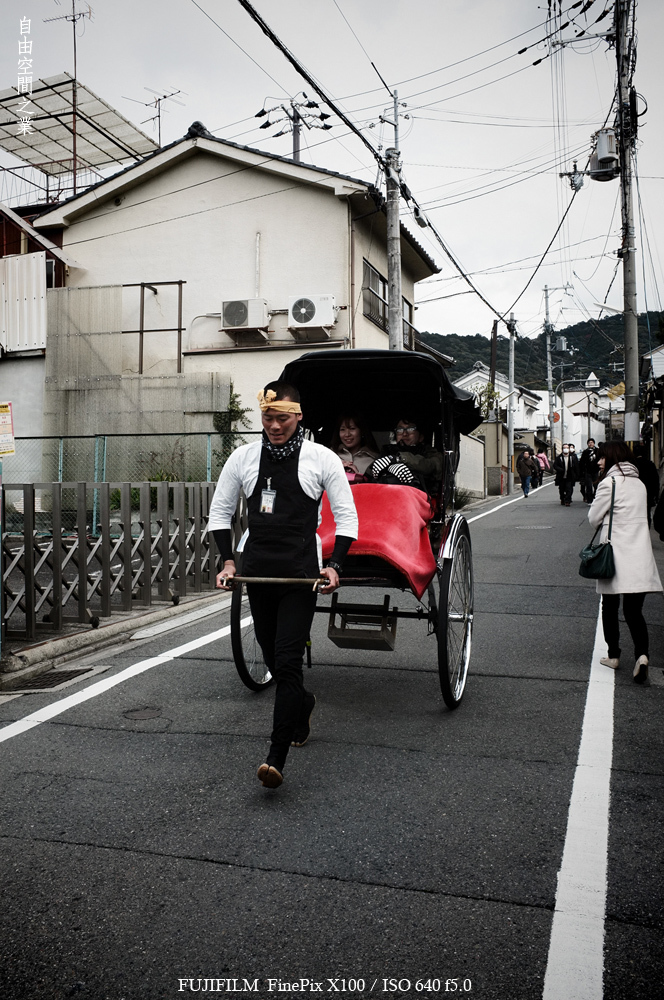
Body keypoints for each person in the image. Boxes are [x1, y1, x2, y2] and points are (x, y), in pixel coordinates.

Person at [208, 381, 358, 789]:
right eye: (268, 418)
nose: (274, 425)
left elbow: (346, 518)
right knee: (275, 660)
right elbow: (220, 513)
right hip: (258, 570)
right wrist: (227, 560)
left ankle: (276, 757)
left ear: (299, 416)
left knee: (288, 660)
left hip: (300, 574)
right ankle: (303, 703)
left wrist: (335, 566)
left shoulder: (320, 458)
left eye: (282, 418)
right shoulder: (243, 457)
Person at [589, 441, 662, 683]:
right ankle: (642, 656)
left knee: (609, 607)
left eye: (602, 458)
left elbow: (593, 518)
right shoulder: (639, 484)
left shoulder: (608, 483)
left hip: (614, 556)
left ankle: (613, 656)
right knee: (634, 611)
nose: (599, 462)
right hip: (639, 556)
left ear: (611, 458)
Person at [369, 417, 443, 494]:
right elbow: (371, 473)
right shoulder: (387, 450)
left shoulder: (429, 452)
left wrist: (398, 459)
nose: (404, 434)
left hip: (417, 497)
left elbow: (432, 465)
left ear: (421, 436)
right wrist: (388, 468)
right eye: (400, 430)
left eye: (411, 429)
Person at [328, 413, 379, 480]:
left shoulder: (374, 460)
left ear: (362, 431)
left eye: (352, 428)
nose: (347, 434)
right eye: (342, 429)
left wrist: (359, 477)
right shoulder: (329, 456)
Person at [632, 443, 660, 527]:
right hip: (648, 493)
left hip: (634, 493)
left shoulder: (632, 464)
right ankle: (645, 528)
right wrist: (656, 494)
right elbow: (655, 480)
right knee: (647, 512)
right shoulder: (650, 464)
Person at [579, 438, 600, 505]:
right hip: (588, 471)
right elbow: (582, 462)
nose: (590, 444)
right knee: (588, 486)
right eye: (589, 442)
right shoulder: (585, 452)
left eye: (592, 442)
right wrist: (582, 471)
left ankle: (596, 498)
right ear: (587, 444)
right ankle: (589, 500)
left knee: (596, 486)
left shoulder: (598, 451)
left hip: (596, 471)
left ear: (594, 443)